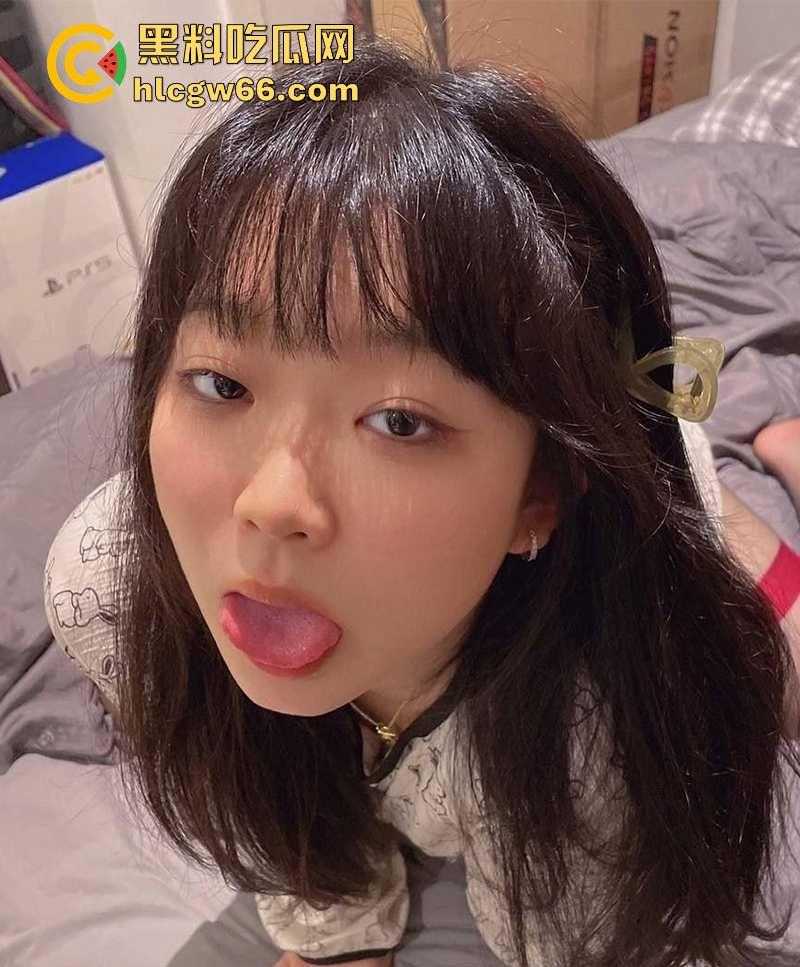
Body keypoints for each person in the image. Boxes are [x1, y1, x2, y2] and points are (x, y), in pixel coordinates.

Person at [42, 38, 800, 967]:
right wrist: (341, 939)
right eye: (221, 383)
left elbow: (576, 939)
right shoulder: (110, 589)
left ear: (537, 495)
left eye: (399, 421)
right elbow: (272, 814)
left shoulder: (593, 719)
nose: (272, 502)